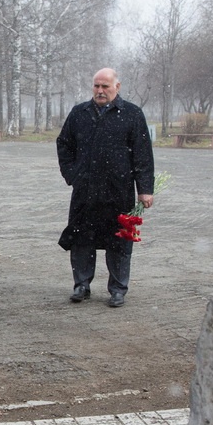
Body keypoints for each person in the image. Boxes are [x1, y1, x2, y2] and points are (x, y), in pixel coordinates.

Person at [57, 67, 154, 308]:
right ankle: (81, 284)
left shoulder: (132, 114)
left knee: (120, 241)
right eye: (97, 86)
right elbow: (64, 145)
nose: (100, 91)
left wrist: (145, 189)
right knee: (81, 239)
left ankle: (118, 288)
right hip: (85, 191)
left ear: (117, 87)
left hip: (118, 191)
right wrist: (73, 175)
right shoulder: (79, 113)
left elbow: (143, 155)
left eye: (105, 86)